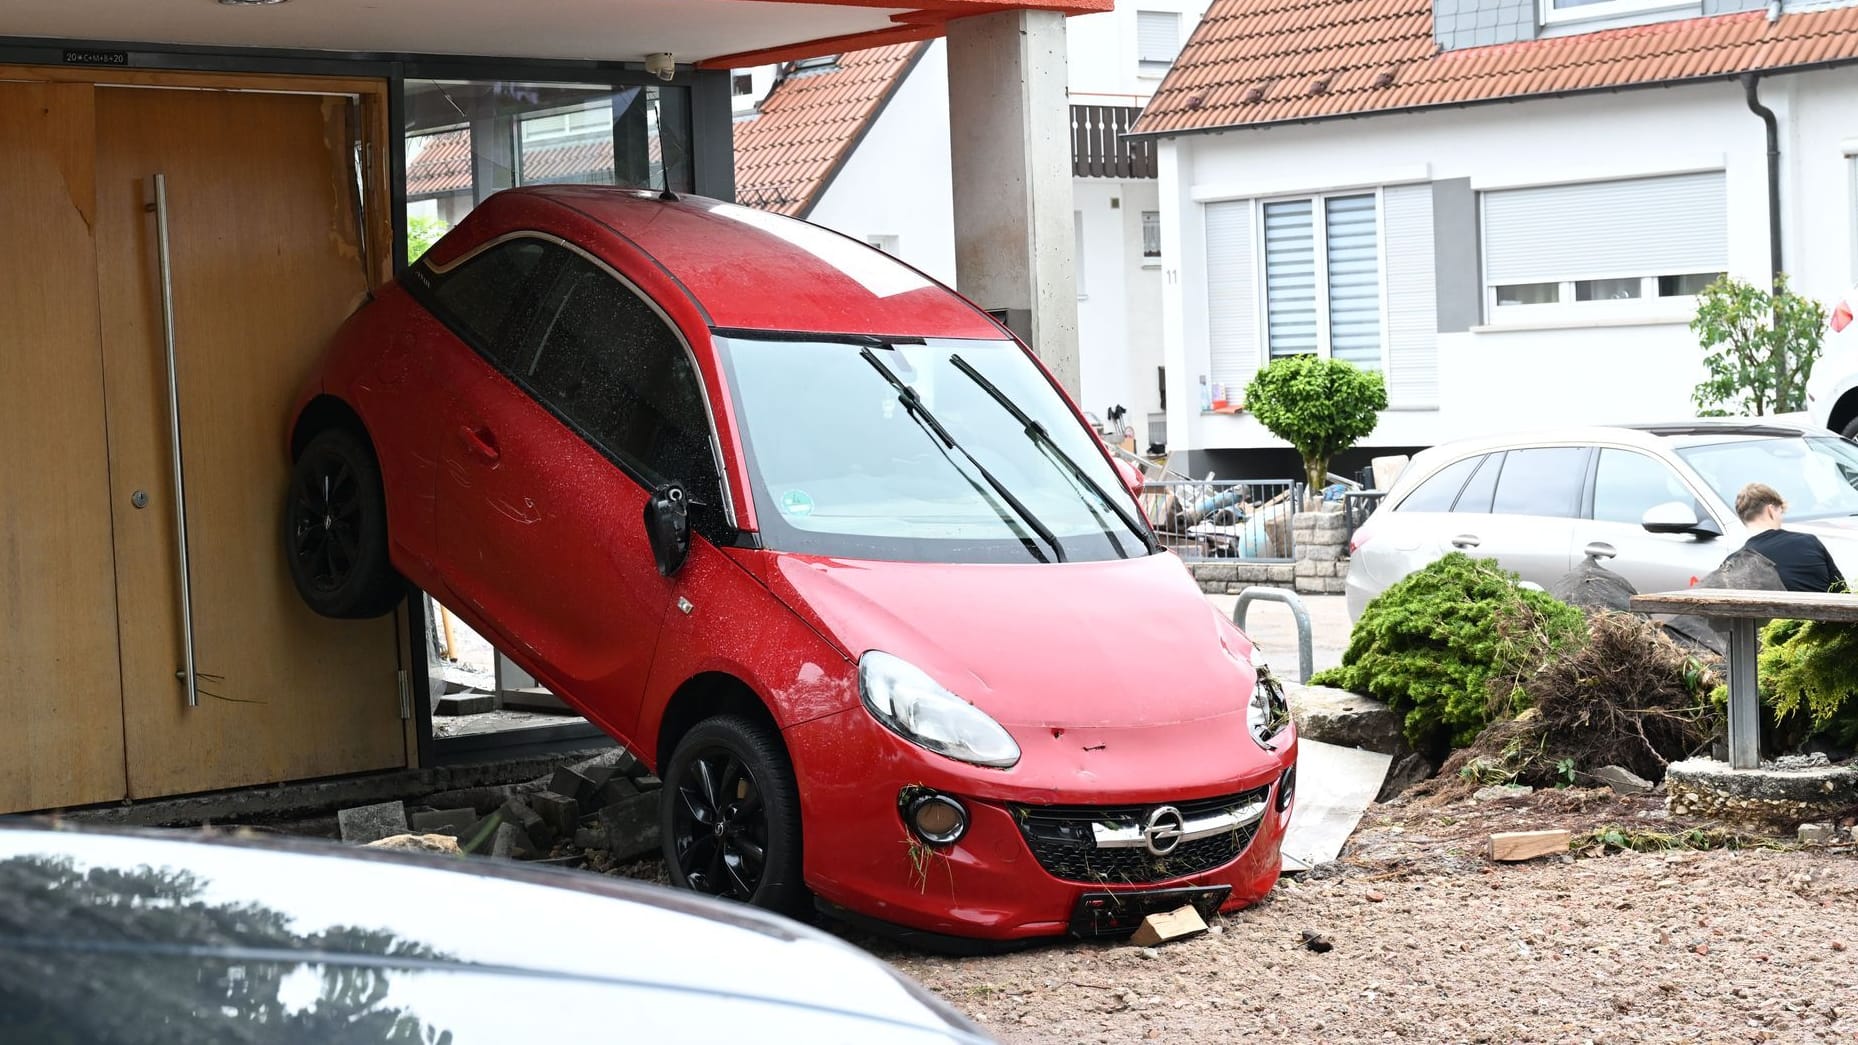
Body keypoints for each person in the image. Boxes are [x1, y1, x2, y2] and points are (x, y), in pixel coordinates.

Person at [1735, 482, 1847, 593]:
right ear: (1771, 511)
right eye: (1780, 512)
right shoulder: (1808, 543)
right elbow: (1842, 593)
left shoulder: (1732, 565)